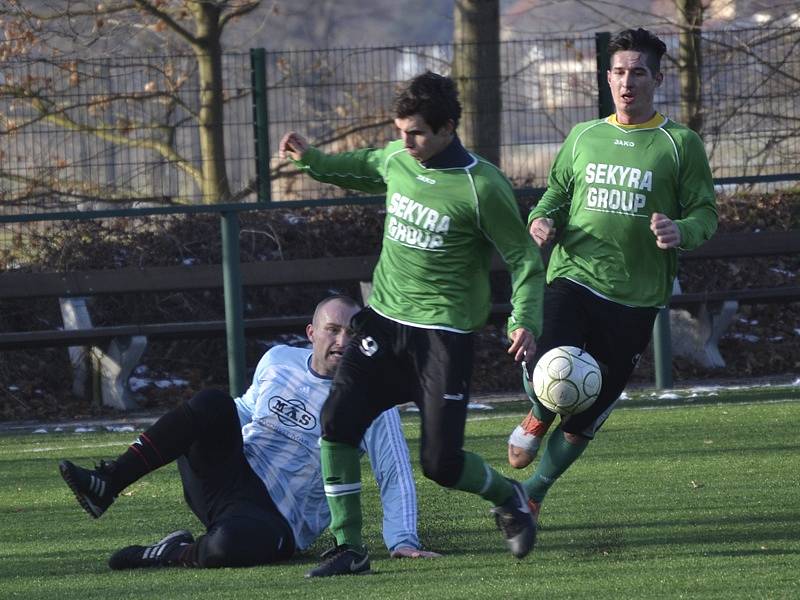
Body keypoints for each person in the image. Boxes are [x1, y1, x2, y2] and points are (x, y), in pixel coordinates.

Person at [279, 71, 546, 577]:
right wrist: (312, 159)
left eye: (416, 132)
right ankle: (350, 549)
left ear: (448, 128)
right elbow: (360, 166)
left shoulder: (482, 186)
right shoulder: (400, 157)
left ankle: (510, 496)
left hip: (443, 337)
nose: (404, 141)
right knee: (336, 424)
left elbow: (526, 261)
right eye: (400, 130)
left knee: (440, 465)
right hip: (382, 321)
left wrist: (524, 318)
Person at [506, 28, 718, 544]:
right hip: (573, 279)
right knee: (555, 369)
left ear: (657, 79)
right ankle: (537, 416)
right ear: (608, 78)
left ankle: (532, 493)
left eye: (638, 72)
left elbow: (706, 215)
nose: (627, 81)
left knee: (584, 418)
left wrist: (679, 231)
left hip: (635, 300)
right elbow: (555, 196)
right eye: (619, 72)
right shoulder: (583, 137)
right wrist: (540, 220)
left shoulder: (679, 143)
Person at [59, 294, 439, 569]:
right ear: (311, 332)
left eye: (351, 333)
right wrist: (201, 426)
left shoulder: (370, 397)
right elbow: (242, 409)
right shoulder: (278, 360)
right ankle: (108, 482)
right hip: (229, 480)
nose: (342, 340)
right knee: (211, 402)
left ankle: (169, 553)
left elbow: (394, 472)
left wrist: (402, 540)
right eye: (332, 330)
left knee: (227, 546)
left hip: (277, 521)